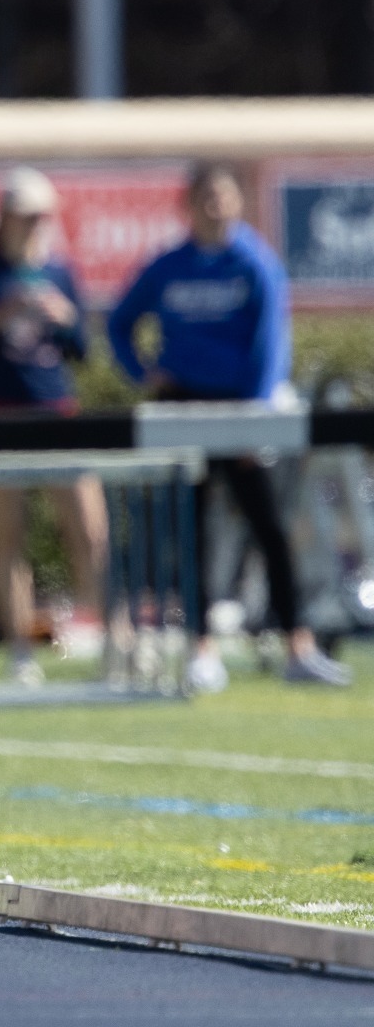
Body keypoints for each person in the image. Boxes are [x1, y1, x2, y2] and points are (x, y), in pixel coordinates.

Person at [108, 162, 349, 691]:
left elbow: (270, 345)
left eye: (224, 197)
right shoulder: (168, 265)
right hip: (184, 409)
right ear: (188, 205)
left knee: (270, 528)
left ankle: (299, 647)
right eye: (205, 198)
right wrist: (142, 371)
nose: (215, 207)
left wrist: (253, 419)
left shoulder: (254, 262)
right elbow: (119, 321)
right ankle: (201, 650)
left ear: (238, 203)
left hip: (241, 411)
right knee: (191, 532)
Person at [0, 168, 107, 687]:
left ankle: (112, 640)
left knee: (89, 528)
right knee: (9, 533)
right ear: (5, 218)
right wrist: (0, 314)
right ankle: (19, 649)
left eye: (41, 215)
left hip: (57, 410)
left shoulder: (61, 271)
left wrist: (63, 317)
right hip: (2, 412)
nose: (34, 224)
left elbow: (83, 349)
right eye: (25, 215)